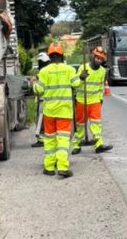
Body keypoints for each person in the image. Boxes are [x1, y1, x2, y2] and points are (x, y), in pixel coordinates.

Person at [33, 42, 81, 178]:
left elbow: (40, 90)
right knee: (63, 140)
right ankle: (62, 167)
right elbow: (76, 83)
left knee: (49, 139)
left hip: (49, 112)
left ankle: (48, 167)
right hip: (64, 112)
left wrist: (34, 85)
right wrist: (81, 77)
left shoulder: (44, 71)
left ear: (49, 56)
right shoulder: (69, 70)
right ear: (62, 55)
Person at [72, 45, 113, 155]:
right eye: (97, 57)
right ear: (93, 55)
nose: (99, 60)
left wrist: (100, 99)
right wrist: (81, 77)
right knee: (80, 124)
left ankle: (98, 144)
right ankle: (76, 144)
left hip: (94, 101)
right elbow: (75, 84)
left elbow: (101, 87)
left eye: (101, 59)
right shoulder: (83, 68)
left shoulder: (102, 71)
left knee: (96, 123)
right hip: (81, 100)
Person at [32, 51, 51, 147]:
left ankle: (41, 139)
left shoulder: (43, 72)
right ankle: (43, 138)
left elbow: (39, 88)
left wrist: (34, 83)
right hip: (46, 100)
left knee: (40, 120)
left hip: (43, 100)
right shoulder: (48, 71)